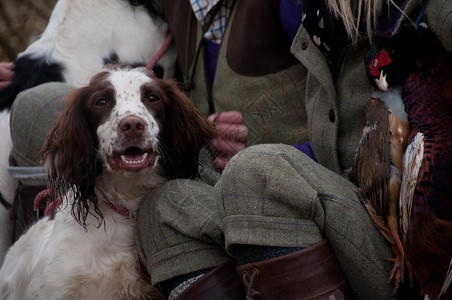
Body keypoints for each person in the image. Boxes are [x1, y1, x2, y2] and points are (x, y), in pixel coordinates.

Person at [3, 0, 451, 299]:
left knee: (256, 173)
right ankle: (59, 243)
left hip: (345, 190)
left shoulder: (300, 9)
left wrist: (277, 149)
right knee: (34, 106)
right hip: (223, 157)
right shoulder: (182, 6)